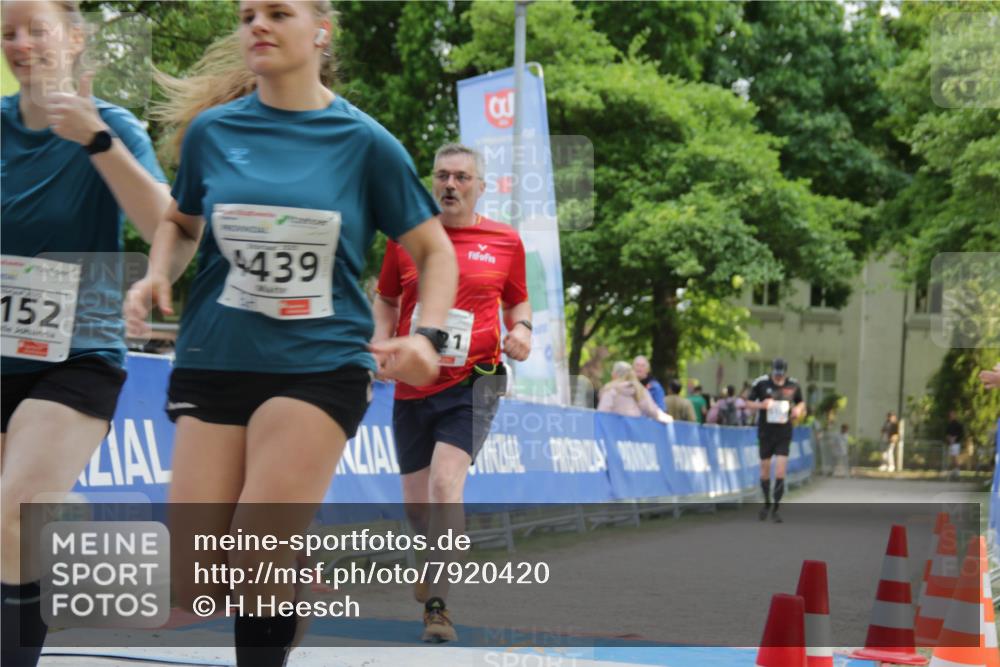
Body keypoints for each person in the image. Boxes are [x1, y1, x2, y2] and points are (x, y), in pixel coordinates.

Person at [124, 3, 457, 664]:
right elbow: (182, 220)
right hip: (215, 356)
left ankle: (273, 577)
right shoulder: (211, 133)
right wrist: (155, 272)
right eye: (248, 14)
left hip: (318, 362)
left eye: (278, 12)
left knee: (253, 548)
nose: (258, 25)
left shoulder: (364, 143)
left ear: (321, 30)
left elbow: (435, 251)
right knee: (196, 579)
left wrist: (429, 338)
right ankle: (293, 576)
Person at [1, 2, 170, 665]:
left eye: (35, 29)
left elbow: (167, 225)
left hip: (76, 350)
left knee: (13, 510)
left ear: (74, 39)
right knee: (13, 529)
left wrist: (98, 140)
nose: (20, 44)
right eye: (7, 33)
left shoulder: (112, 127)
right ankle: (62, 513)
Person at [372, 143, 531, 643]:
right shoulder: (407, 240)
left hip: (475, 381)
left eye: (462, 177)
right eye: (442, 175)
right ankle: (431, 556)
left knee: (446, 486)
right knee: (417, 507)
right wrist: (379, 345)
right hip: (414, 383)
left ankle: (438, 608)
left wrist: (522, 330)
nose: (450, 185)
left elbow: (518, 300)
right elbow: (387, 298)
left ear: (480, 186)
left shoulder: (505, 241)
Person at [746, 358, 805, 523]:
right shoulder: (761, 383)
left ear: (785, 373)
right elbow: (748, 403)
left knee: (780, 471)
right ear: (772, 371)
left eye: (781, 375)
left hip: (783, 432)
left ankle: (776, 508)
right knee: (764, 471)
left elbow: (801, 403)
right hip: (765, 432)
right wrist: (761, 405)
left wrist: (797, 410)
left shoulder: (793, 385)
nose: (778, 378)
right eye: (776, 374)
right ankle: (767, 503)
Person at [597, 361, 673, 423]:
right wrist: (668, 419)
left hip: (614, 433)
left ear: (614, 374)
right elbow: (652, 410)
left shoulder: (610, 390)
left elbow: (603, 412)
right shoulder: (640, 390)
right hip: (635, 433)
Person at [945, 410, 964, 480]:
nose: (951, 416)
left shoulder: (958, 425)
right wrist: (949, 438)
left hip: (956, 444)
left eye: (953, 414)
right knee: (952, 459)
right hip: (950, 444)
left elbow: (960, 434)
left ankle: (958, 472)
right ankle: (954, 473)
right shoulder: (949, 424)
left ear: (955, 415)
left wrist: (954, 438)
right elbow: (947, 434)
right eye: (950, 415)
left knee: (955, 458)